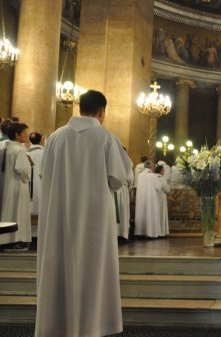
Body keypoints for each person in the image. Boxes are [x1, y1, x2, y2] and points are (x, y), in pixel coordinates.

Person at [35, 90, 132, 337]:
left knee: (59, 264)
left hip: (60, 217)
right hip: (94, 220)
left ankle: (58, 325)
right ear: (102, 111)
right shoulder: (106, 138)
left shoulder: (56, 138)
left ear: (80, 108)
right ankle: (92, 326)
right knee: (93, 269)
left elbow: (44, 174)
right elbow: (117, 178)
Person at [0, 123, 32, 251]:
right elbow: (21, 168)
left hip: (8, 184)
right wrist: (28, 171)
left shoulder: (7, 148)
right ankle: (19, 240)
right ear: (17, 135)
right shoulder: (20, 149)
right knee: (18, 211)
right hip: (19, 185)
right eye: (24, 133)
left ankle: (7, 239)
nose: (26, 135)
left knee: (10, 210)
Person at [28, 132, 44, 238]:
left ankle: (30, 233)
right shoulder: (45, 152)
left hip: (29, 186)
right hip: (42, 185)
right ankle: (39, 234)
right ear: (41, 140)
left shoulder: (25, 152)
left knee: (29, 208)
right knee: (41, 208)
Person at [155, 164, 170, 237]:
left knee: (157, 214)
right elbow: (167, 189)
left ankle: (157, 232)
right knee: (162, 214)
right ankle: (162, 232)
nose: (164, 171)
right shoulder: (162, 178)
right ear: (161, 171)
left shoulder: (154, 177)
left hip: (155, 198)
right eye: (163, 170)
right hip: (162, 198)